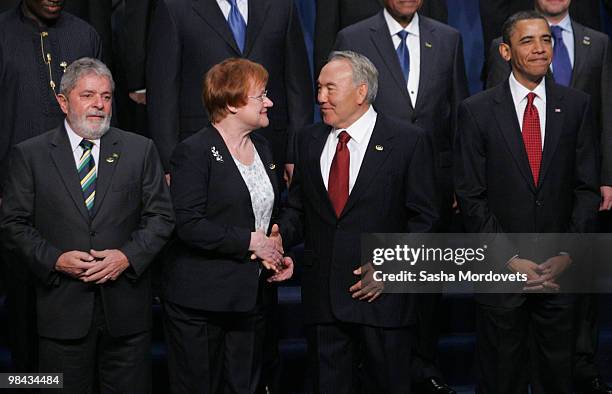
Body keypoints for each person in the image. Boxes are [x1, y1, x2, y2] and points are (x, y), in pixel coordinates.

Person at [0, 57, 175, 392]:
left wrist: (126, 257)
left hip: (126, 314)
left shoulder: (140, 150)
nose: (99, 104)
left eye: (107, 97)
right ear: (63, 101)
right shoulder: (30, 155)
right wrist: (54, 260)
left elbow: (162, 216)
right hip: (61, 312)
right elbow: (14, 224)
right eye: (89, 95)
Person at [454, 11, 600, 393]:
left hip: (560, 274)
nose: (539, 49)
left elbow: (586, 189)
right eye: (527, 41)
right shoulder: (476, 111)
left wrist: (567, 253)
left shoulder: (577, 105)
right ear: (505, 51)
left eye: (546, 40)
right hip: (502, 275)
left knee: (558, 381)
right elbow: (471, 195)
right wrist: (509, 259)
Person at [277, 50, 438, 394]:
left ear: (361, 92)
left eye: (330, 89)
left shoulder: (408, 140)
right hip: (324, 302)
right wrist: (279, 240)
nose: (320, 98)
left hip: (383, 300)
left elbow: (425, 220)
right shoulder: (307, 140)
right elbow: (299, 210)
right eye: (318, 88)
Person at [333, 1, 468, 391]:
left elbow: (458, 110)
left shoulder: (449, 39)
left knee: (424, 274)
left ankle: (424, 365)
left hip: (435, 177)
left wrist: (459, 176)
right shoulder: (354, 37)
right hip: (375, 174)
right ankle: (373, 365)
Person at [162, 58, 294, 394]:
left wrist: (275, 247)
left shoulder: (263, 148)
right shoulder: (193, 151)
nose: (270, 102)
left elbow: (266, 215)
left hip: (251, 300)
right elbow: (188, 224)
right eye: (261, 96)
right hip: (201, 303)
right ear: (233, 103)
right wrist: (252, 241)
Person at [0, 0, 102, 373]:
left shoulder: (84, 34)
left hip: (80, 195)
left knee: (77, 311)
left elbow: (103, 116)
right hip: (15, 195)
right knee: (24, 312)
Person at [146, 0, 313, 186]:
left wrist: (295, 153)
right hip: (201, 150)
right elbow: (163, 93)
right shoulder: (174, 6)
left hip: (271, 145)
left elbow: (298, 85)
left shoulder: (281, 5)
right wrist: (169, 163)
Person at [313, 0, 449, 77]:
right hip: (363, 91)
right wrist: (326, 90)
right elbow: (326, 36)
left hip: (423, 100)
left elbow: (440, 33)